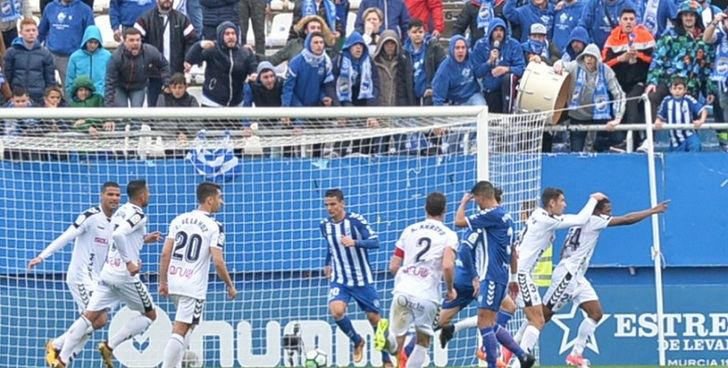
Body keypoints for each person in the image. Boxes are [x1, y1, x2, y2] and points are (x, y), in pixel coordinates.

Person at [47, 180, 163, 368]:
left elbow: (115, 236)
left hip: (107, 273)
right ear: (142, 196)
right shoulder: (139, 214)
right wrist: (129, 262)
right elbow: (118, 236)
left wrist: (143, 240)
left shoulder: (120, 212)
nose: (149, 196)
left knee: (90, 316)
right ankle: (110, 346)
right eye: (148, 192)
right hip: (124, 276)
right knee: (150, 315)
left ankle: (62, 357)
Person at [542, 198, 669, 367]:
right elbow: (626, 219)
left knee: (596, 313)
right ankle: (513, 349)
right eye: (607, 211)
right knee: (542, 317)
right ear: (596, 211)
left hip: (577, 276)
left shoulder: (578, 221)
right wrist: (652, 211)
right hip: (567, 276)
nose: (609, 214)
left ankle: (575, 355)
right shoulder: (594, 220)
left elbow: (564, 249)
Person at [29, 183, 119, 368]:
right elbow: (67, 236)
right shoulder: (90, 217)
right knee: (98, 318)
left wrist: (145, 239)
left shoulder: (116, 221)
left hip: (96, 280)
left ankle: (58, 347)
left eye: (117, 195)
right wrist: (42, 256)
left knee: (95, 321)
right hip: (79, 277)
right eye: (110, 194)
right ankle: (62, 353)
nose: (114, 198)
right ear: (102, 196)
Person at [510, 188, 606, 360]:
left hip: (517, 272)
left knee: (515, 313)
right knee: (538, 319)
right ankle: (517, 360)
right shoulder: (546, 220)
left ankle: (505, 353)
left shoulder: (541, 215)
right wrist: (593, 199)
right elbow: (580, 219)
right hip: (521, 274)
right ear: (552, 203)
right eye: (562, 201)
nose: (565, 204)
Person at [453, 182, 535, 368]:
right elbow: (513, 252)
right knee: (489, 321)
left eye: (476, 200)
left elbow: (458, 222)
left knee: (484, 322)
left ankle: (495, 363)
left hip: (491, 276)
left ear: (481, 197)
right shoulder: (507, 217)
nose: (476, 204)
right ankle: (522, 355)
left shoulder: (491, 215)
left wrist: (464, 202)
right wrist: (513, 279)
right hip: (502, 276)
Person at [373, 192, 458, 368]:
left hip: (403, 290)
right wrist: (450, 290)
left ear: (425, 208)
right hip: (426, 294)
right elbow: (448, 265)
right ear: (445, 210)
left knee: (396, 347)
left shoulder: (409, 230)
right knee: (423, 343)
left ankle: (386, 336)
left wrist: (406, 277)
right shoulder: (449, 235)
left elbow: (393, 266)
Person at [159, 182, 237, 368]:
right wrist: (230, 284)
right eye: (219, 198)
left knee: (188, 327)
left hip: (174, 280)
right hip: (193, 285)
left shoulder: (179, 219)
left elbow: (165, 253)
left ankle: (175, 365)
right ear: (209, 200)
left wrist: (163, 281)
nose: (222, 202)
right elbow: (218, 261)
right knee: (180, 330)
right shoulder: (214, 226)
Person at [320, 189, 393, 367]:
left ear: (342, 203)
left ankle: (386, 359)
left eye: (333, 204)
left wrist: (355, 242)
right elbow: (331, 246)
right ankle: (357, 341)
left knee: (374, 319)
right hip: (340, 279)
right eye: (327, 205)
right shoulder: (324, 225)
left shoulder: (356, 221)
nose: (330, 208)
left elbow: (375, 242)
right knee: (336, 311)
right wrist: (327, 263)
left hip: (362, 279)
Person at [554, 44, 625, 152]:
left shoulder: (606, 71)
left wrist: (618, 118)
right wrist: (557, 64)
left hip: (600, 115)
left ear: (598, 59)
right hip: (577, 116)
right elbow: (560, 64)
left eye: (592, 57)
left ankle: (602, 149)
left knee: (618, 137)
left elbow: (619, 94)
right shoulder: (574, 66)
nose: (589, 59)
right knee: (576, 151)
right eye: (587, 56)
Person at [602, 7, 654, 146]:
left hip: (639, 81)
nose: (628, 22)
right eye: (625, 19)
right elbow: (604, 64)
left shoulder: (645, 36)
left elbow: (654, 60)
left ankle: (633, 139)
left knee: (630, 101)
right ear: (620, 21)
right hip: (617, 83)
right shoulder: (612, 38)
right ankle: (616, 140)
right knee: (611, 101)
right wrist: (621, 58)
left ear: (636, 21)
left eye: (631, 19)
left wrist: (639, 55)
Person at [134, 0, 198, 106]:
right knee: (154, 109)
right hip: (154, 74)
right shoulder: (145, 18)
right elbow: (136, 41)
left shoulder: (182, 19)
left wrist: (188, 59)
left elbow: (191, 40)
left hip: (176, 72)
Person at [185, 21, 257, 107]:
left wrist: (253, 73)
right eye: (227, 34)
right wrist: (199, 45)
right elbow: (190, 59)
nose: (231, 36)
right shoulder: (213, 49)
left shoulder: (244, 52)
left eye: (233, 33)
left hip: (236, 103)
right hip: (212, 102)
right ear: (220, 35)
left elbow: (252, 64)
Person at [105, 27, 171, 107]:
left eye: (138, 40)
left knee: (136, 113)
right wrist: (108, 107)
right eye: (131, 40)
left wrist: (167, 83)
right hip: (120, 86)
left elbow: (164, 65)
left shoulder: (149, 51)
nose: (135, 43)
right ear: (124, 42)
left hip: (139, 86)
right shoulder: (116, 56)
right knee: (121, 112)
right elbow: (110, 82)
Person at [471, 18, 525, 113]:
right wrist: (489, 62)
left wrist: (506, 69)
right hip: (488, 89)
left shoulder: (514, 45)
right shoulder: (480, 45)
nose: (499, 33)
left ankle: (508, 116)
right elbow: (476, 72)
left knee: (508, 78)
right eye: (495, 30)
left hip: (508, 90)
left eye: (501, 30)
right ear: (490, 31)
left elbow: (521, 68)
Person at [38, 0, 94, 89]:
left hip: (71, 57)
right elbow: (41, 32)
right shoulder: (50, 7)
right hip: (50, 55)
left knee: (70, 93)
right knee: (45, 90)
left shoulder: (85, 10)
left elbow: (90, 35)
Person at [4, 18, 56, 105]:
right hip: (17, 99)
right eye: (27, 30)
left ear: (37, 32)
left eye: (33, 30)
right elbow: (7, 77)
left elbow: (50, 81)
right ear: (20, 33)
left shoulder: (46, 54)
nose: (31, 33)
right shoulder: (11, 52)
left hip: (38, 99)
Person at [282, 32, 335, 108]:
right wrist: (285, 109)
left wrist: (323, 97)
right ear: (308, 44)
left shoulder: (326, 62)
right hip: (296, 105)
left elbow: (322, 86)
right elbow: (288, 88)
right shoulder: (296, 62)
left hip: (315, 106)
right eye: (315, 42)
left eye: (321, 42)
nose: (319, 45)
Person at [654, 77, 708, 152]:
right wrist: (657, 121)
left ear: (685, 90)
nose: (677, 91)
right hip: (675, 141)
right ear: (670, 90)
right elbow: (660, 116)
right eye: (675, 88)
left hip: (689, 136)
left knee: (696, 146)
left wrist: (701, 121)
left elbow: (703, 110)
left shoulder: (688, 99)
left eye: (680, 88)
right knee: (676, 161)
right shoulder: (666, 101)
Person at [259, 15, 335, 67]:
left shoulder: (326, 48)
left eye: (318, 28)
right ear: (305, 30)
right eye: (313, 27)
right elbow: (272, 60)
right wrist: (251, 55)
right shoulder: (294, 44)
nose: (316, 30)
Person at [432, 35, 484, 106]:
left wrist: (488, 64)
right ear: (451, 49)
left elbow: (480, 72)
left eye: (463, 47)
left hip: (473, 95)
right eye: (457, 48)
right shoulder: (444, 69)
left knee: (481, 106)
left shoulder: (472, 58)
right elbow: (438, 95)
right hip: (456, 101)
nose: (460, 51)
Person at [404, 19, 446, 106]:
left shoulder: (434, 48)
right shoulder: (403, 53)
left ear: (424, 32)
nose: (418, 35)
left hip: (431, 96)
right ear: (408, 33)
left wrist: (432, 87)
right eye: (414, 32)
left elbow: (442, 70)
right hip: (411, 98)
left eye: (420, 32)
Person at [65, 25, 112, 99]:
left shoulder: (107, 56)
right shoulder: (75, 57)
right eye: (90, 42)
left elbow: (110, 78)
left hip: (101, 97)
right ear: (85, 41)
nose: (93, 45)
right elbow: (70, 79)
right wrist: (73, 96)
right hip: (80, 98)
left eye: (95, 42)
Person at [704, 9, 728, 152]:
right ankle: (724, 144)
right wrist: (715, 22)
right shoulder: (720, 34)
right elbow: (706, 39)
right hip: (720, 80)